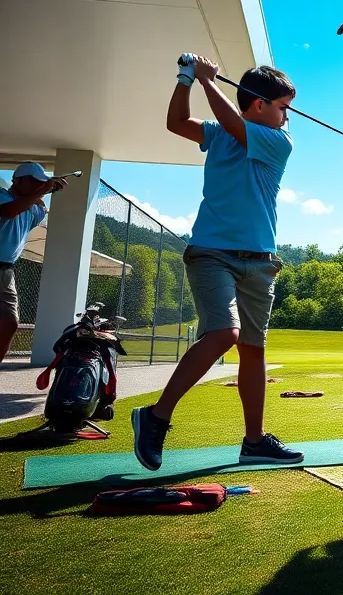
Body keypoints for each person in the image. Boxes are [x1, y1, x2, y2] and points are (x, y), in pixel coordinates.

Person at [132, 54, 301, 471]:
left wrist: (209, 82)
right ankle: (155, 417)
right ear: (259, 104)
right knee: (225, 332)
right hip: (211, 252)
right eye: (283, 106)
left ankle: (255, 440)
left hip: (260, 261)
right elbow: (177, 123)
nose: (288, 116)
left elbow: (236, 125)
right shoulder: (224, 132)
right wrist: (188, 79)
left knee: (253, 349)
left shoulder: (278, 141)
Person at [0, 164, 69, 360]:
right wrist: (44, 190)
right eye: (35, 181)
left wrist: (45, 192)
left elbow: (38, 207)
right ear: (17, 180)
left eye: (41, 182)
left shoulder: (33, 209)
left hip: (6, 272)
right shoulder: (2, 195)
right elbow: (9, 211)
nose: (39, 186)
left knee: (9, 323)